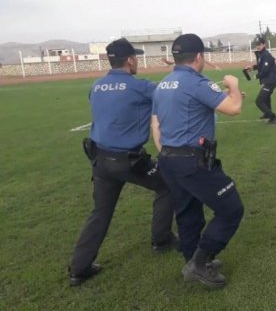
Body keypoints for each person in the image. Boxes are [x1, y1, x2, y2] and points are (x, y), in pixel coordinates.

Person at [68, 38, 177, 287]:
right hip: (129, 161)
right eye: (135, 58)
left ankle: (78, 268)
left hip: (100, 160)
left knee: (100, 213)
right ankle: (161, 239)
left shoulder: (96, 86)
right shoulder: (139, 87)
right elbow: (169, 94)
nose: (137, 61)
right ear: (130, 60)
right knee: (167, 185)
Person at [152, 33, 244, 288]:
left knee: (188, 212)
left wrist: (165, 152)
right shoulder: (196, 82)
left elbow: (157, 122)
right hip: (191, 161)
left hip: (169, 157)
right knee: (231, 208)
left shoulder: (164, 83)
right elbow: (234, 108)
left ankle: (194, 261)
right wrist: (233, 86)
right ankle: (200, 263)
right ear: (200, 56)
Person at [244, 36, 276, 125]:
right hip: (268, 81)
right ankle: (267, 114)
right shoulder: (261, 54)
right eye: (257, 45)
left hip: (271, 81)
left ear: (264, 44)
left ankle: (273, 117)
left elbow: (265, 71)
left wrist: (255, 77)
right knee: (266, 97)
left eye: (259, 44)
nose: (258, 46)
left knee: (259, 101)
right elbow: (260, 65)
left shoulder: (266, 55)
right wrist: (252, 67)